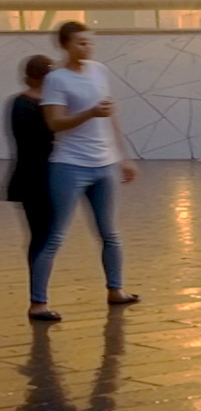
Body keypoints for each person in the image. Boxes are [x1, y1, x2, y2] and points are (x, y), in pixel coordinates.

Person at [36, 22, 138, 315]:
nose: (87, 47)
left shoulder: (99, 70)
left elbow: (109, 115)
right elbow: (54, 122)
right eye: (81, 42)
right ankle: (39, 302)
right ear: (65, 44)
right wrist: (90, 113)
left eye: (89, 42)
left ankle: (115, 289)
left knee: (110, 232)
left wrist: (122, 156)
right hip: (70, 164)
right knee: (56, 235)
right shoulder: (57, 79)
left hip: (103, 164)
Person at [11, 55, 57, 320]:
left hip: (38, 175)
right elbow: (39, 138)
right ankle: (37, 299)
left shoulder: (30, 103)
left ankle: (39, 296)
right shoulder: (25, 104)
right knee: (42, 236)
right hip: (34, 177)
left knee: (43, 235)